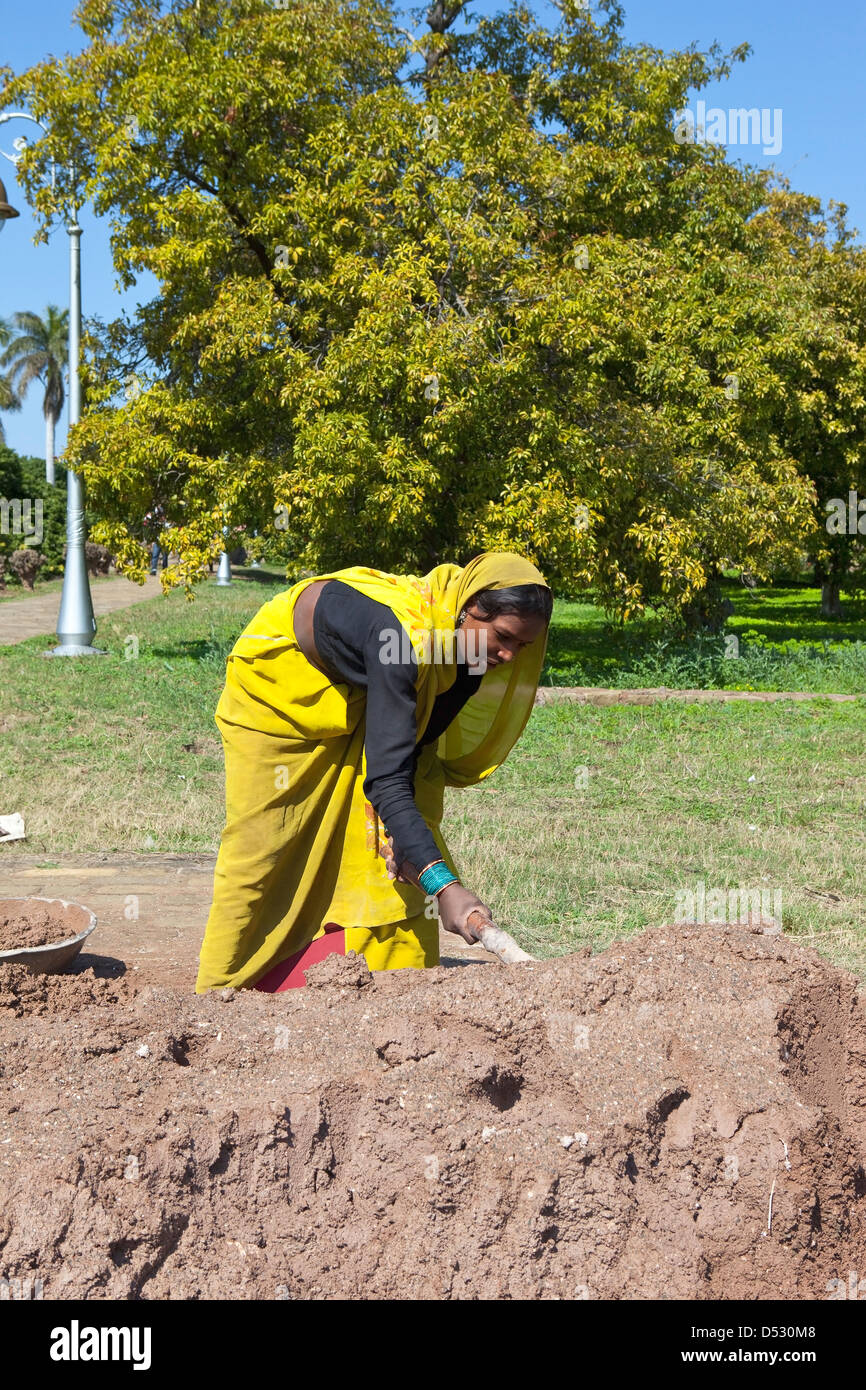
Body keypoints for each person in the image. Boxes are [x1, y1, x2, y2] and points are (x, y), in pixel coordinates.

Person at [195, 552, 552, 992]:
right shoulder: (400, 640)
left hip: (366, 698)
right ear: (469, 608)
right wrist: (446, 888)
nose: (508, 654)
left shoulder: (469, 653)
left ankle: (386, 982)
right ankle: (221, 994)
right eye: (503, 636)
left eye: (523, 646)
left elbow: (410, 752)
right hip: (282, 705)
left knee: (387, 846)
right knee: (266, 853)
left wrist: (406, 846)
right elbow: (386, 781)